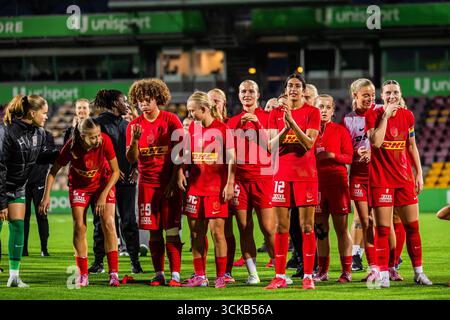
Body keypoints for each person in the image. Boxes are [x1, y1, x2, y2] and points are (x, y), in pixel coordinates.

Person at [365, 79, 432, 287]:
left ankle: (419, 273)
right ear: (381, 96)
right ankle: (384, 275)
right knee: (383, 229)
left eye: (395, 92)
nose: (392, 96)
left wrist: (419, 173)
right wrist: (385, 115)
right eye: (388, 93)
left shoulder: (408, 116)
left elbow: (411, 146)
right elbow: (375, 143)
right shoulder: (372, 115)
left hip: (404, 179)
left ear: (400, 94)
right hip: (381, 180)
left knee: (413, 227)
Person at [40, 118, 121, 287]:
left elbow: (115, 172)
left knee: (109, 223)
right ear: (82, 136)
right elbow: (53, 172)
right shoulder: (71, 147)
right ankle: (83, 274)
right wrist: (46, 196)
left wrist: (103, 195)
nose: (97, 139)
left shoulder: (104, 141)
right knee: (79, 226)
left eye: (98, 135)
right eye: (93, 137)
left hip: (103, 184)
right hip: (79, 187)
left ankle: (114, 273)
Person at [126, 78, 184, 287]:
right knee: (153, 231)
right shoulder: (134, 125)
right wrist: (133, 140)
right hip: (147, 186)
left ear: (157, 99)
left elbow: (181, 152)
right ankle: (159, 274)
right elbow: (131, 159)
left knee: (172, 230)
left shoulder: (171, 120)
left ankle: (176, 274)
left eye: (147, 100)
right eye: (140, 100)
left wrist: (175, 178)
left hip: (169, 184)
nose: (143, 104)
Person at [266, 73, 320, 290]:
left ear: (303, 90)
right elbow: (270, 146)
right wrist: (285, 127)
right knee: (280, 226)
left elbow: (308, 143)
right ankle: (279, 275)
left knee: (306, 226)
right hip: (281, 175)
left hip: (306, 176)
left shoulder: (312, 112)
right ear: (286, 89)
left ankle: (308, 276)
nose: (294, 89)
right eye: (290, 86)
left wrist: (292, 124)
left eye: (298, 86)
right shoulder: (275, 113)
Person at [178, 91, 235, 288]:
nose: (190, 113)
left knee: (217, 233)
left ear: (204, 109)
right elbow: (186, 156)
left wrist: (229, 184)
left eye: (193, 110)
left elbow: (232, 160)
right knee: (196, 234)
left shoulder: (223, 129)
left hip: (215, 189)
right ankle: (200, 276)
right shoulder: (192, 129)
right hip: (195, 187)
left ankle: (220, 276)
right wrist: (180, 173)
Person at [0, 95, 58, 288]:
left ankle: (14, 277)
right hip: (0, 185)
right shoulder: (6, 131)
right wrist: (1, 203)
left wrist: (64, 152)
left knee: (17, 226)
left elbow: (40, 157)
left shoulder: (40, 134)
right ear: (32, 113)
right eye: (44, 113)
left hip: (17, 186)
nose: (46, 117)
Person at [227, 80, 275, 285]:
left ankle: (278, 271)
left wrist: (257, 123)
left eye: (251, 91)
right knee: (244, 227)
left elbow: (272, 147)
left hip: (264, 179)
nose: (247, 94)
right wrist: (229, 181)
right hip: (240, 180)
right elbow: (230, 155)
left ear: (258, 94)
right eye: (243, 91)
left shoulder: (268, 117)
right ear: (239, 95)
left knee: (268, 229)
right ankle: (252, 273)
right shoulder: (232, 122)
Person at [91, 89, 143, 274]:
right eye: (124, 101)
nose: (127, 104)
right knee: (102, 222)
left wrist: (136, 168)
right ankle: (99, 262)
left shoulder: (129, 125)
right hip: (104, 182)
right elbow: (94, 153)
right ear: (114, 104)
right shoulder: (97, 124)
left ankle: (135, 262)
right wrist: (111, 170)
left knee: (129, 221)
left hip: (127, 180)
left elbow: (135, 151)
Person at [313, 94, 353, 283]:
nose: (324, 110)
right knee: (321, 231)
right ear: (315, 108)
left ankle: (346, 271)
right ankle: (322, 271)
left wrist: (331, 155)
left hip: (337, 184)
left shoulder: (340, 131)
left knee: (342, 230)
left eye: (328, 107)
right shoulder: (309, 133)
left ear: (333, 110)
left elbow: (349, 157)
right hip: (316, 185)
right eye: (321, 106)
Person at [342, 78, 377, 279]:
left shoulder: (380, 112)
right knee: (362, 218)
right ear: (355, 96)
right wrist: (357, 154)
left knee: (379, 220)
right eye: (365, 95)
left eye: (372, 95)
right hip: (358, 173)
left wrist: (373, 153)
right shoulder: (347, 120)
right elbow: (346, 149)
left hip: (380, 172)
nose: (370, 99)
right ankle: (356, 255)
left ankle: (386, 260)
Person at [288, 83, 319, 277]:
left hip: (311, 176)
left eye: (308, 97)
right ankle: (302, 259)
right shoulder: (296, 114)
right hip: (296, 175)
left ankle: (315, 265)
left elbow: (309, 144)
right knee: (293, 225)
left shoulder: (315, 116)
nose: (304, 99)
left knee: (313, 225)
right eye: (303, 96)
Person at [207, 88, 236, 283]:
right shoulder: (201, 125)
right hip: (207, 185)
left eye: (217, 101)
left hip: (229, 183)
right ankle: (203, 272)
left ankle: (227, 271)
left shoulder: (230, 124)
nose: (214, 104)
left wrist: (231, 182)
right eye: (210, 101)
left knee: (228, 229)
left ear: (224, 103)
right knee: (205, 230)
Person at [23, 129, 55, 257]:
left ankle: (44, 249)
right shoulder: (24, 134)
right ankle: (23, 249)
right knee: (23, 218)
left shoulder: (47, 135)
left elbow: (52, 157)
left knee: (42, 215)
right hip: (23, 183)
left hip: (40, 182)